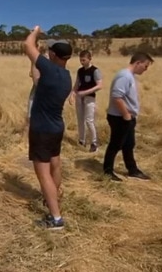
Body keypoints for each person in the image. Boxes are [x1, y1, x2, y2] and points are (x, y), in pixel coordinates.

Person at [23, 27, 72, 230]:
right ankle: (53, 198)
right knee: (55, 165)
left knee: (43, 173)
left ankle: (56, 219)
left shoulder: (50, 70)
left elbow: (27, 45)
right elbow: (36, 74)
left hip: (42, 129)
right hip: (56, 127)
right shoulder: (66, 76)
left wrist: (35, 32)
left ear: (52, 54)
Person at [102, 52, 153, 182]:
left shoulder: (128, 76)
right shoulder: (125, 76)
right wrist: (126, 115)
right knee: (116, 144)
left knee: (129, 144)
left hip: (125, 117)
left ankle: (132, 170)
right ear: (138, 63)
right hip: (120, 117)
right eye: (145, 66)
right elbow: (117, 96)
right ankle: (107, 171)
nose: (146, 69)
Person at [69, 50, 103, 152]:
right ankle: (81, 140)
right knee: (80, 120)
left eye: (84, 60)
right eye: (80, 60)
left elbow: (100, 85)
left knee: (89, 120)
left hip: (90, 98)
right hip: (79, 97)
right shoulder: (80, 71)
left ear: (89, 59)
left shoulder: (95, 71)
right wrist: (72, 94)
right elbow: (76, 85)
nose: (82, 62)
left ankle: (94, 142)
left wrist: (86, 92)